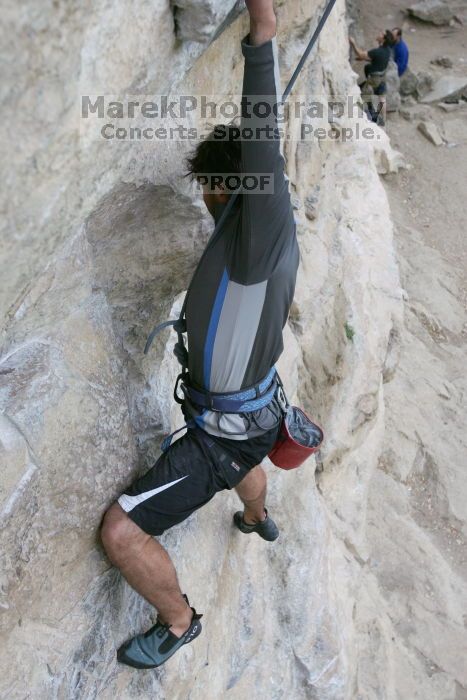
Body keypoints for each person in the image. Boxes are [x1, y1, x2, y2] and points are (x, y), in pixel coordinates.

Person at [100, 0, 299, 671]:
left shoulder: (257, 240)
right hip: (257, 412)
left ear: (230, 187)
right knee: (246, 453)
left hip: (222, 436)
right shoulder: (257, 242)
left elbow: (261, 138)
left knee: (122, 531)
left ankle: (179, 621)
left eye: (213, 191)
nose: (207, 203)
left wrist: (261, 41)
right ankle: (253, 516)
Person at [349, 30, 393, 124]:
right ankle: (383, 120)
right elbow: (375, 59)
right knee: (382, 97)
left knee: (361, 97)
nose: (379, 33)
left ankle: (366, 120)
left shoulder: (377, 51)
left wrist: (353, 43)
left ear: (383, 39)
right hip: (382, 77)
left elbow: (361, 54)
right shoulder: (387, 51)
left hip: (374, 79)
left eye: (382, 34)